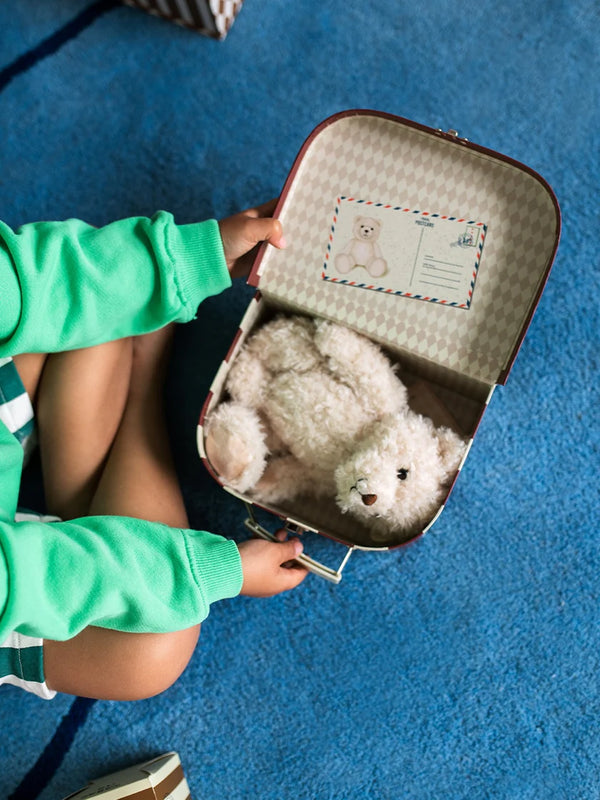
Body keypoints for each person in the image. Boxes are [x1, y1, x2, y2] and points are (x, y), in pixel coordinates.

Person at [0, 201, 308, 701]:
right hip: (11, 587)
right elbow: (44, 580)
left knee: (98, 306)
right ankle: (143, 397)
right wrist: (215, 571)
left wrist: (184, 260)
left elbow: (33, 279)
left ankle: (95, 492)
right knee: (149, 654)